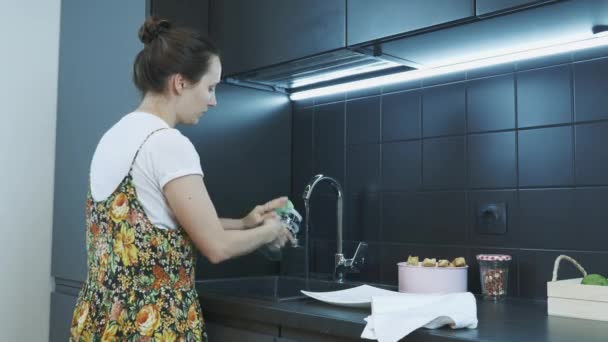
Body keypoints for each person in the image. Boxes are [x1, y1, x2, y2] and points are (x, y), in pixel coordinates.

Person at [69, 16, 294, 341]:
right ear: (180, 83)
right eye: (210, 87)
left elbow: (156, 223)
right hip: (152, 328)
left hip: (99, 321)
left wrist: (245, 223)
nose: (214, 100)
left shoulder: (114, 135)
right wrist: (271, 230)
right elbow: (216, 247)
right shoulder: (167, 143)